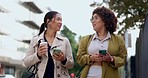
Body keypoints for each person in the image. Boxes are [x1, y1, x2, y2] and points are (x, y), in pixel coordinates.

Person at [76, 6, 127, 78]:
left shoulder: (118, 39)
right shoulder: (85, 39)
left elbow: (123, 59)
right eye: (92, 19)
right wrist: (91, 58)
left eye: (96, 18)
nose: (93, 21)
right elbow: (79, 58)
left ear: (105, 20)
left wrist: (111, 59)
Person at [23, 11, 74, 78]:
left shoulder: (65, 41)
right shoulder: (35, 40)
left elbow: (71, 64)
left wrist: (63, 59)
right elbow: (26, 62)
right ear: (48, 21)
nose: (60, 22)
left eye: (61, 20)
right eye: (58, 19)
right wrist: (38, 55)